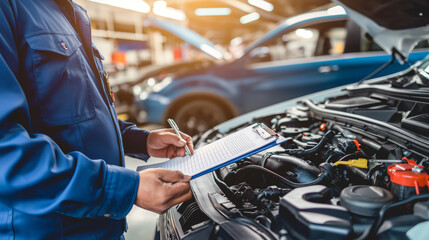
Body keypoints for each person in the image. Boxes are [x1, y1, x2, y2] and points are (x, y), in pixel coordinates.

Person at [0, 0, 194, 239]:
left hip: (101, 226)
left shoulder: (70, 13)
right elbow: (6, 154)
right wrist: (123, 188)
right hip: (47, 231)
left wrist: (139, 140)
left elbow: (78, 110)